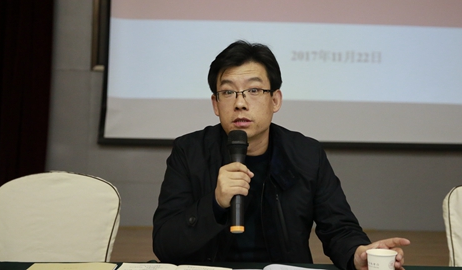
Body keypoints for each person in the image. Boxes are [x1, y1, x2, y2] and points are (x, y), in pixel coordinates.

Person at [153, 40, 410, 269]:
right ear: (215, 104)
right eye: (228, 92)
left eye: (254, 90)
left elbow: (339, 228)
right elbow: (165, 245)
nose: (240, 103)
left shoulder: (306, 154)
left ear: (275, 100)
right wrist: (215, 203)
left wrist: (357, 253)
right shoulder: (189, 152)